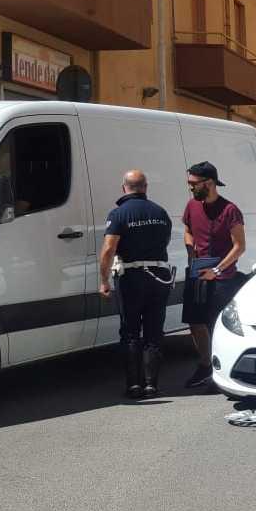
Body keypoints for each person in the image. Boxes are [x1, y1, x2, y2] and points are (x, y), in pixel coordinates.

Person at [98, 170, 174, 399]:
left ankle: (133, 385)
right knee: (153, 330)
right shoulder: (161, 212)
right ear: (145, 187)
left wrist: (103, 280)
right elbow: (165, 240)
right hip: (159, 275)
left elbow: (109, 249)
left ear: (124, 188)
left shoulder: (119, 214)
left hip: (131, 276)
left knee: (131, 332)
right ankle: (151, 384)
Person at [181, 162, 246, 389]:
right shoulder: (192, 206)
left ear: (208, 183)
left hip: (222, 277)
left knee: (215, 324)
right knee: (195, 321)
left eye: (193, 184)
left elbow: (239, 246)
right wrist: (190, 250)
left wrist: (217, 269)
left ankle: (220, 370)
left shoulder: (230, 210)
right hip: (197, 272)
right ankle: (204, 365)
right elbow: (187, 230)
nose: (190, 188)